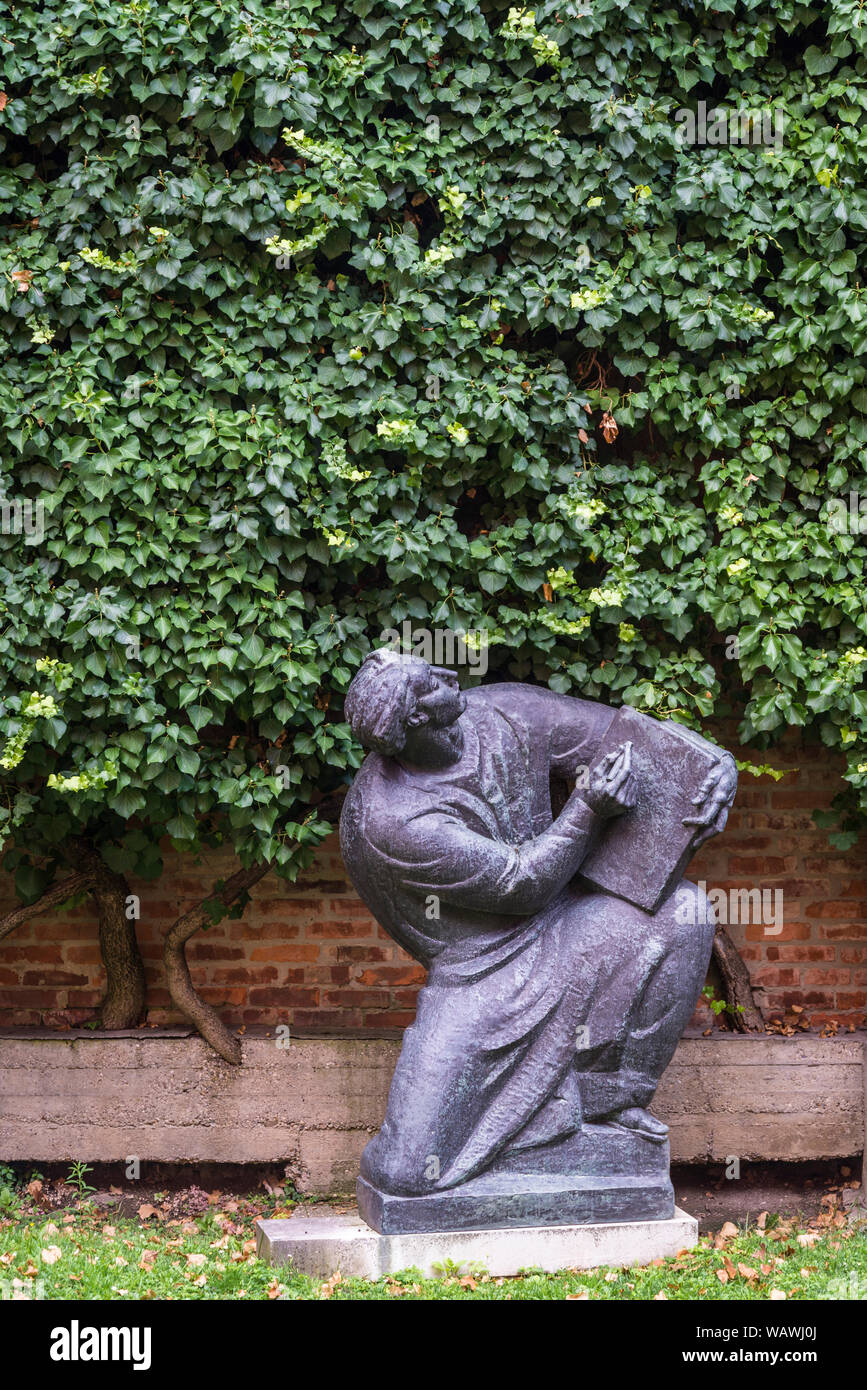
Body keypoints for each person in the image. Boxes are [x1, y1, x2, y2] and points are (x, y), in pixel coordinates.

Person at [339, 650, 737, 1198]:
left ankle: (609, 1103)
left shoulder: (507, 712)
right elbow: (523, 885)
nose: (452, 676)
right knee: (407, 1172)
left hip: (565, 921)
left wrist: (714, 767)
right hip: (480, 972)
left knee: (686, 913)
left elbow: (624, 741)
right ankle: (552, 1118)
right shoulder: (394, 820)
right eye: (432, 682)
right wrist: (587, 807)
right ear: (414, 720)